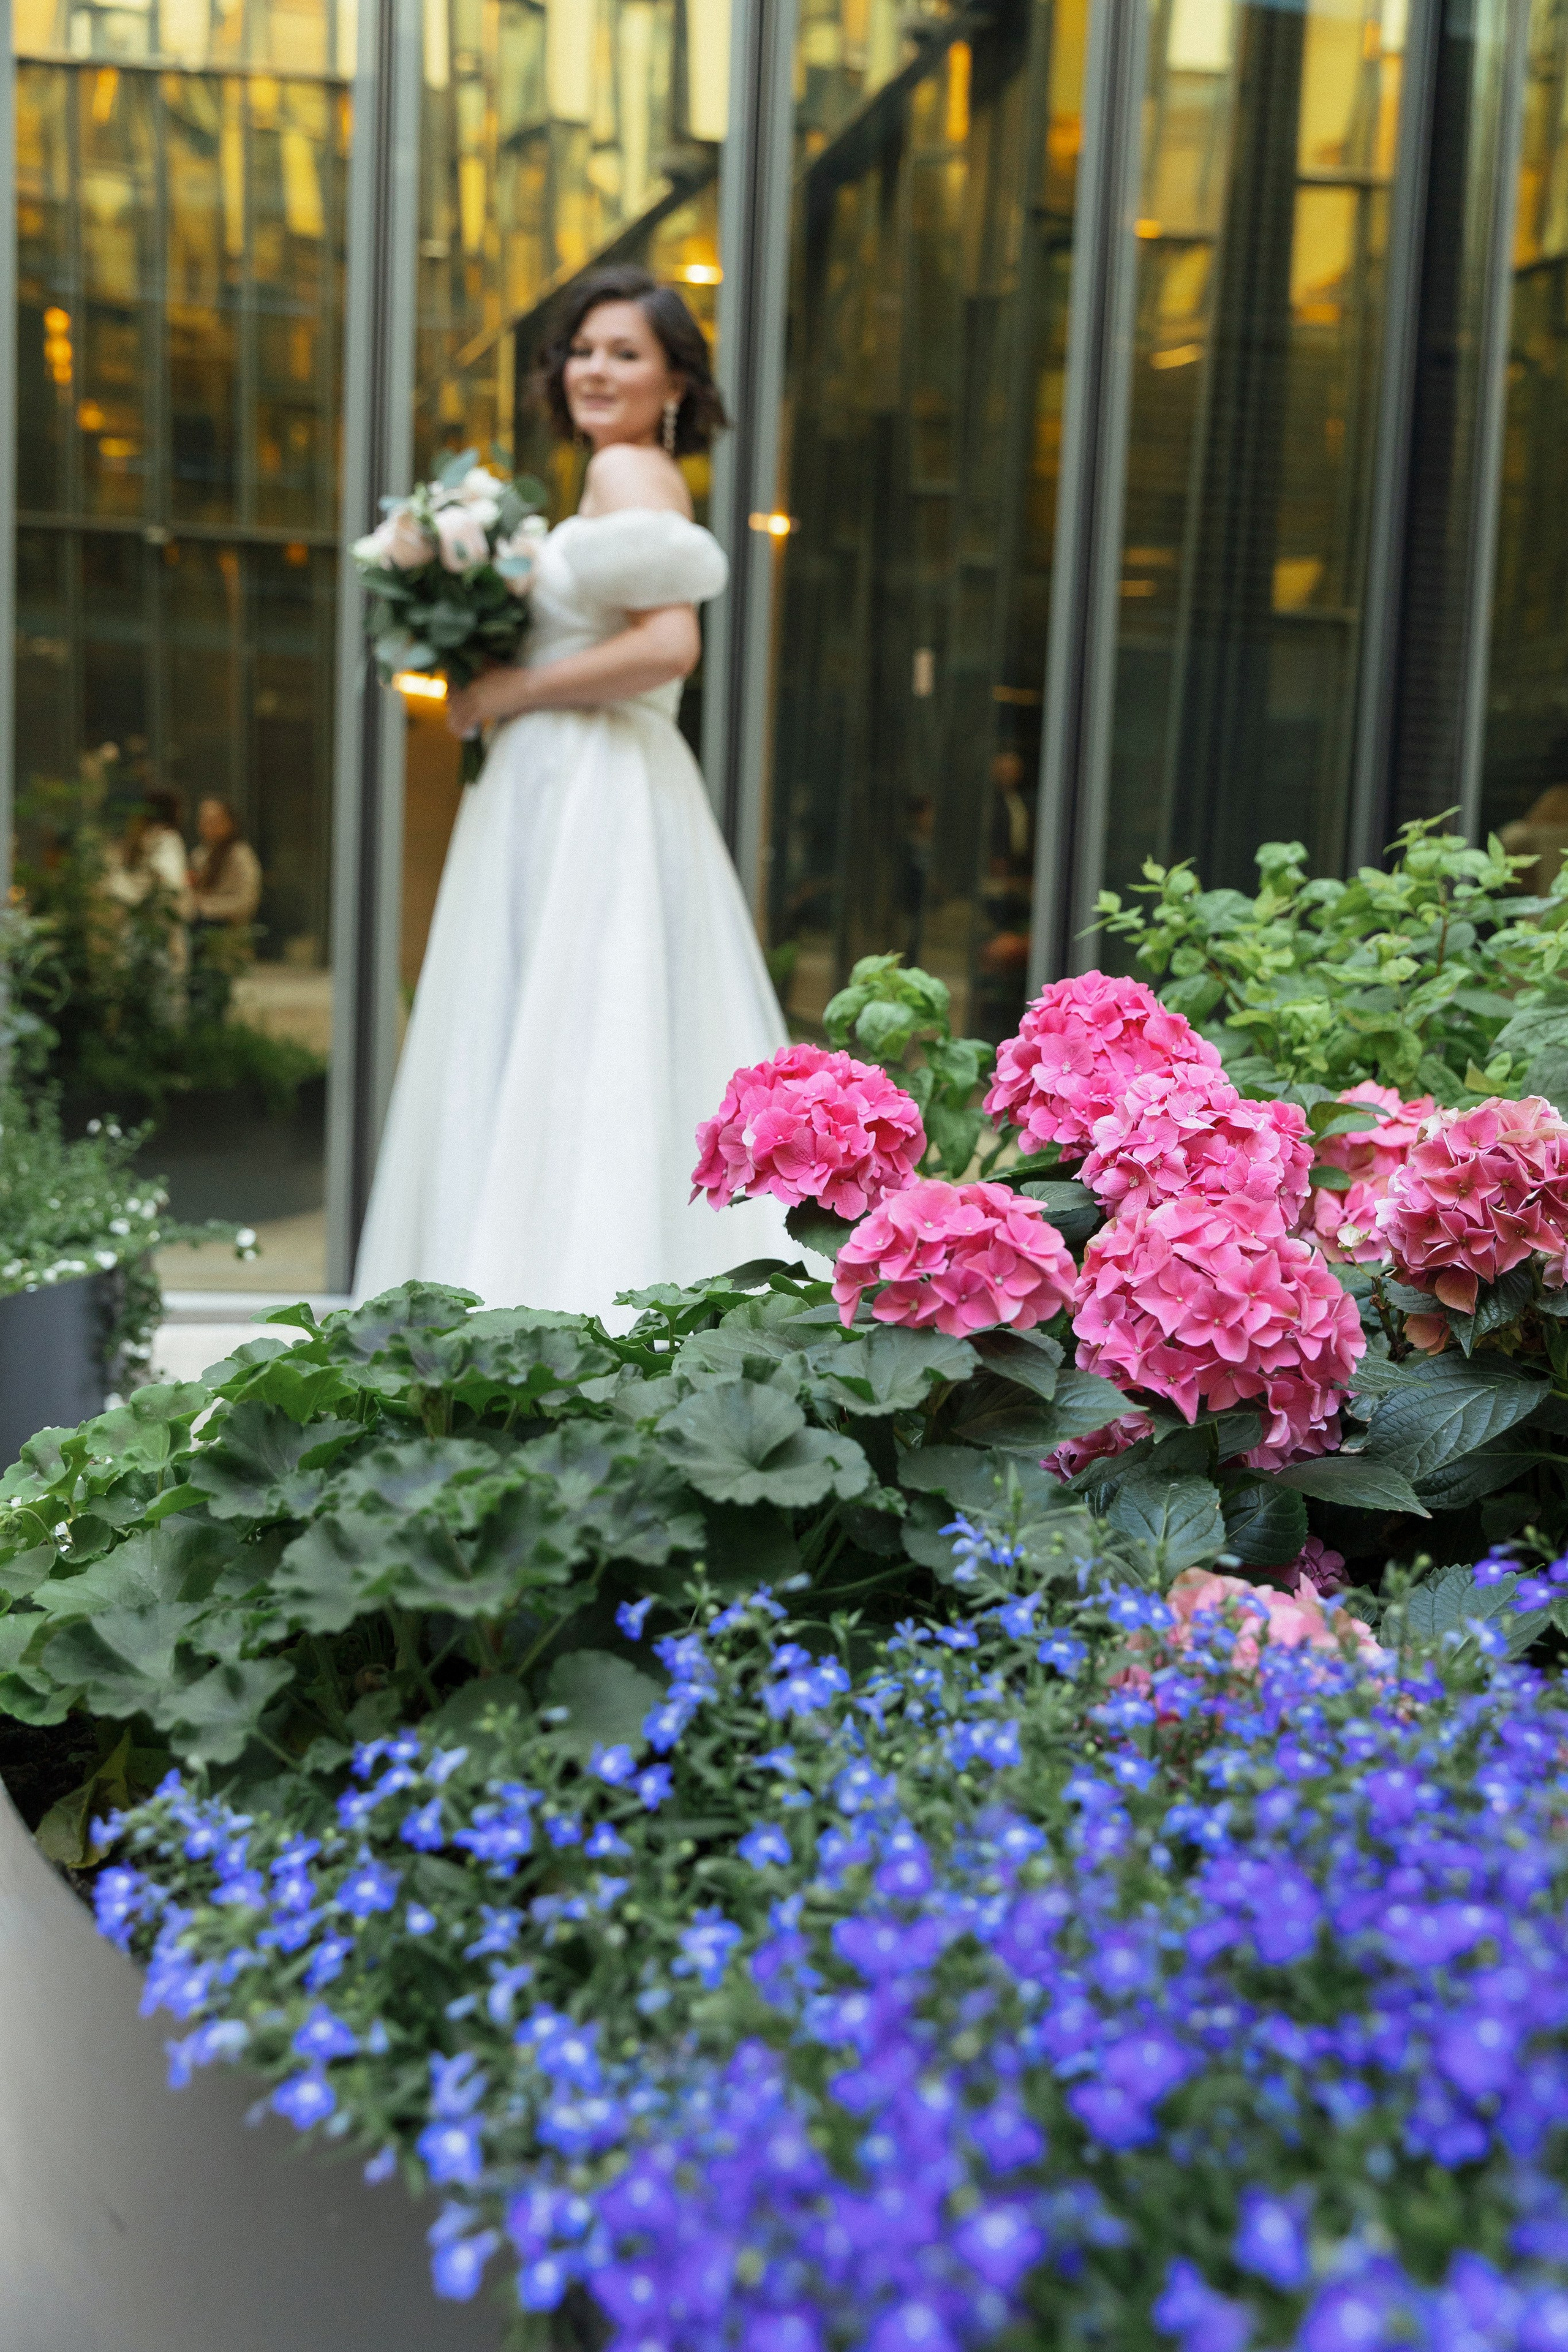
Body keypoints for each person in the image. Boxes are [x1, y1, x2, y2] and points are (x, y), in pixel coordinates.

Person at [354, 264, 791, 1317]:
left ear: (675, 380)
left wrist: (515, 685)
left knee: (585, 1033)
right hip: (565, 785)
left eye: (625, 353)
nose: (596, 369)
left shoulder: (637, 476)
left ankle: (560, 1301)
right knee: (569, 1032)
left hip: (596, 789)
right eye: (583, 350)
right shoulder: (608, 477)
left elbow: (671, 644)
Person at [188, 796, 262, 1025]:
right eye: (204, 820)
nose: (207, 826)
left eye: (214, 820)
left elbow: (247, 900)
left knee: (215, 1000)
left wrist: (208, 907)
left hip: (225, 938)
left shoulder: (240, 856)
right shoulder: (201, 855)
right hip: (199, 938)